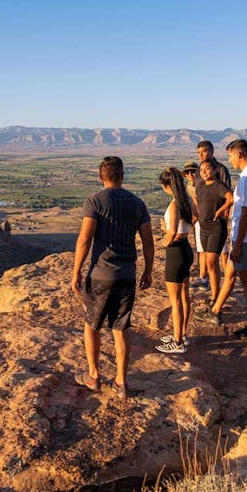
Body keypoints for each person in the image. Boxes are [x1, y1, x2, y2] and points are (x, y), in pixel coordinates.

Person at [71, 156, 155, 398]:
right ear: (122, 176)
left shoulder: (95, 201)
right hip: (127, 275)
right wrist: (148, 270)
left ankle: (94, 376)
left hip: (100, 275)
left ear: (101, 177)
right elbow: (148, 241)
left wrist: (76, 271)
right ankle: (121, 383)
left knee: (92, 326)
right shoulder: (137, 203)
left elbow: (85, 239)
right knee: (121, 329)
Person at [201, 139, 247, 338]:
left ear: (239, 154)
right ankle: (214, 312)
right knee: (229, 274)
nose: (229, 160)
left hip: (244, 240)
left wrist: (238, 244)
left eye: (230, 155)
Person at [155, 168, 197, 354]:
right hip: (186, 248)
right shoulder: (187, 199)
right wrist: (184, 230)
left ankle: (177, 341)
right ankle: (182, 334)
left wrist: (166, 241)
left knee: (175, 300)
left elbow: (171, 231)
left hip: (176, 251)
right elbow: (195, 216)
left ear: (168, 186)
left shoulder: (174, 205)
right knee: (184, 296)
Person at [191, 141, 232, 292]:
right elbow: (197, 194)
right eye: (198, 152)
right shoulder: (198, 171)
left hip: (217, 223)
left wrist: (222, 213)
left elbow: (228, 195)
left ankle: (223, 285)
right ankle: (204, 279)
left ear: (212, 152)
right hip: (203, 222)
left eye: (203, 152)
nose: (200, 155)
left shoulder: (220, 169)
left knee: (219, 255)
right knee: (204, 254)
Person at [182, 161, 207, 288]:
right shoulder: (188, 186)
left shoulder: (202, 185)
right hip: (196, 220)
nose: (190, 174)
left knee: (203, 249)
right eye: (187, 172)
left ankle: (204, 277)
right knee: (200, 249)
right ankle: (203, 275)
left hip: (202, 220)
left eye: (193, 171)